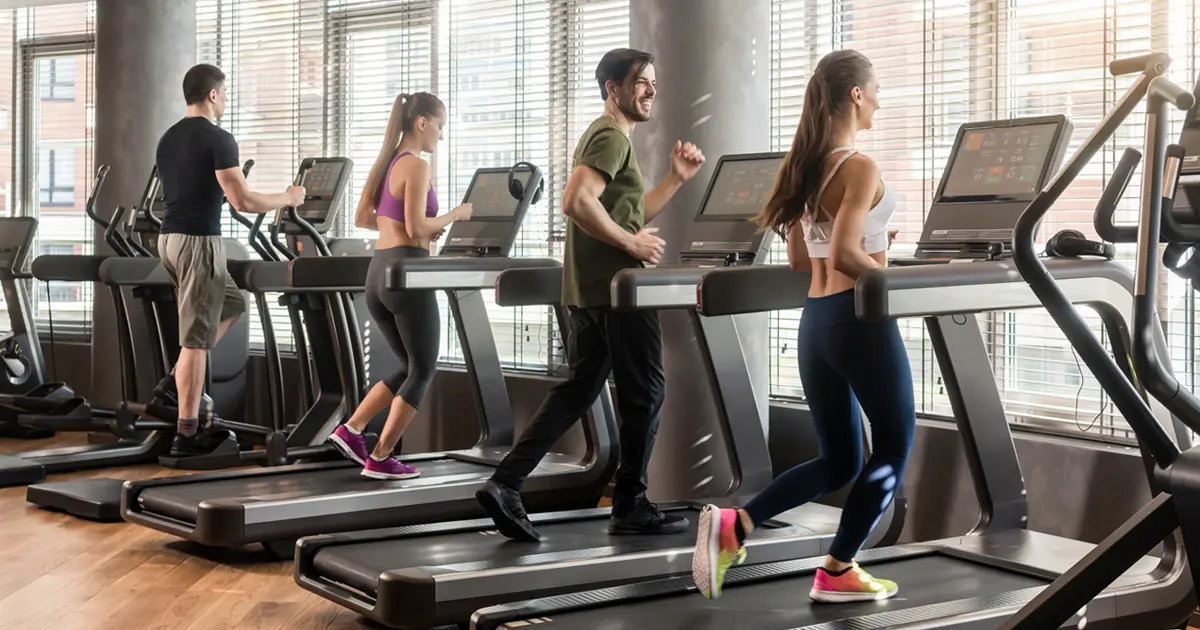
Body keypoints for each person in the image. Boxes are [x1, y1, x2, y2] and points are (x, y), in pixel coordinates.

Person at [691, 49, 915, 603]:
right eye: (877, 90)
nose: (880, 101)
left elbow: (800, 258)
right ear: (857, 94)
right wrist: (904, 285)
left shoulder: (807, 166)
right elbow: (843, 253)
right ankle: (838, 569)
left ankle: (736, 526)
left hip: (815, 323)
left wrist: (876, 247)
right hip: (859, 322)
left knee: (838, 459)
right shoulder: (858, 166)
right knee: (892, 448)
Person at [475, 48, 706, 541]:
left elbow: (625, 212)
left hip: (591, 292)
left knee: (578, 390)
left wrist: (674, 181)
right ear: (613, 88)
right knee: (647, 393)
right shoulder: (609, 135)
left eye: (653, 84)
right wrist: (630, 244)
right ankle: (631, 504)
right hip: (618, 294)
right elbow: (576, 202)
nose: (650, 91)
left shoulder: (610, 138)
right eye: (641, 82)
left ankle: (507, 482)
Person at [157, 64, 306, 457]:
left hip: (169, 240)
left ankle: (174, 385)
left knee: (232, 304)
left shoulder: (169, 138)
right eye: (224, 94)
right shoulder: (219, 139)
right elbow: (243, 199)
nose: (225, 101)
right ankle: (186, 435)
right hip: (197, 242)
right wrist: (288, 198)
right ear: (212, 95)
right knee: (195, 339)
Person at [325, 92, 474, 480]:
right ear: (422, 122)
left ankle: (351, 429)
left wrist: (414, 231)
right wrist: (454, 215)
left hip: (378, 273)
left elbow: (364, 218)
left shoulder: (386, 162)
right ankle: (381, 456)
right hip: (407, 275)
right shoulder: (417, 166)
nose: (440, 135)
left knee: (408, 365)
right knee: (424, 369)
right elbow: (416, 228)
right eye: (439, 125)